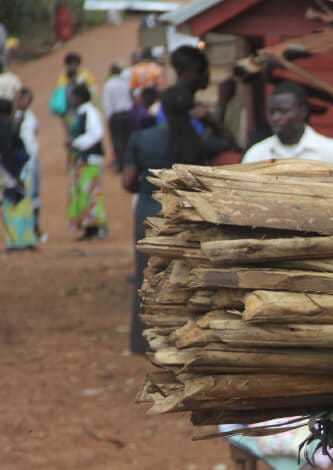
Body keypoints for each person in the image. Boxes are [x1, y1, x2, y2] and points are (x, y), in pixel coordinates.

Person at [123, 84, 231, 354]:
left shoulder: (142, 137)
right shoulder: (197, 139)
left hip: (149, 213)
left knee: (146, 278)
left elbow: (127, 181)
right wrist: (210, 119)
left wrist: (147, 189)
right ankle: (182, 338)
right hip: (188, 216)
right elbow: (230, 144)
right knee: (184, 277)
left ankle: (143, 342)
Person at [242, 81, 333, 166]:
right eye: (271, 111)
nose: (275, 117)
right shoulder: (256, 154)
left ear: (303, 112)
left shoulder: (332, 151)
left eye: (283, 111)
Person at [66, 83, 107, 240]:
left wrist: (76, 143)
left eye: (73, 96)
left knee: (91, 193)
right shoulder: (82, 113)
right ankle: (88, 227)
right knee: (84, 193)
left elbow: (97, 134)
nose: (71, 99)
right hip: (82, 160)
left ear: (80, 97)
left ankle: (96, 227)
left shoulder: (90, 112)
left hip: (90, 159)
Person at [0, 97, 32, 249]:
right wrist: (14, 175)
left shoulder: (7, 125)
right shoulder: (8, 126)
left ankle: (14, 240)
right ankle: (21, 240)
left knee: (11, 204)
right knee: (18, 203)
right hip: (13, 169)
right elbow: (8, 152)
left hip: (8, 169)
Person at [14, 87, 41, 240]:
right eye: (23, 98)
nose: (26, 102)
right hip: (20, 162)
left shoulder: (31, 117)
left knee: (35, 192)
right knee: (22, 193)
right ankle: (22, 229)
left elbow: (35, 132)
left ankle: (35, 226)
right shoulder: (12, 117)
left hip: (33, 159)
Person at [102, 62, 132, 172]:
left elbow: (107, 103)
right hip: (128, 114)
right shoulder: (125, 83)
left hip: (116, 115)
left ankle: (121, 166)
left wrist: (109, 117)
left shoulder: (109, 85)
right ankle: (130, 164)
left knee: (117, 141)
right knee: (128, 139)